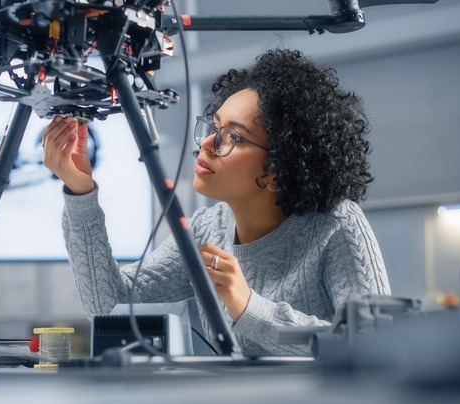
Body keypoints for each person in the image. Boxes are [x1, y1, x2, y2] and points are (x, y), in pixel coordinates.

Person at [41, 48, 390, 357]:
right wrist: (80, 193)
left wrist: (249, 308)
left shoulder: (337, 224)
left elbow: (374, 345)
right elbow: (109, 305)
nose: (207, 143)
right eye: (214, 126)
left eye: (231, 137)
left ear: (277, 171)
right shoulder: (208, 229)